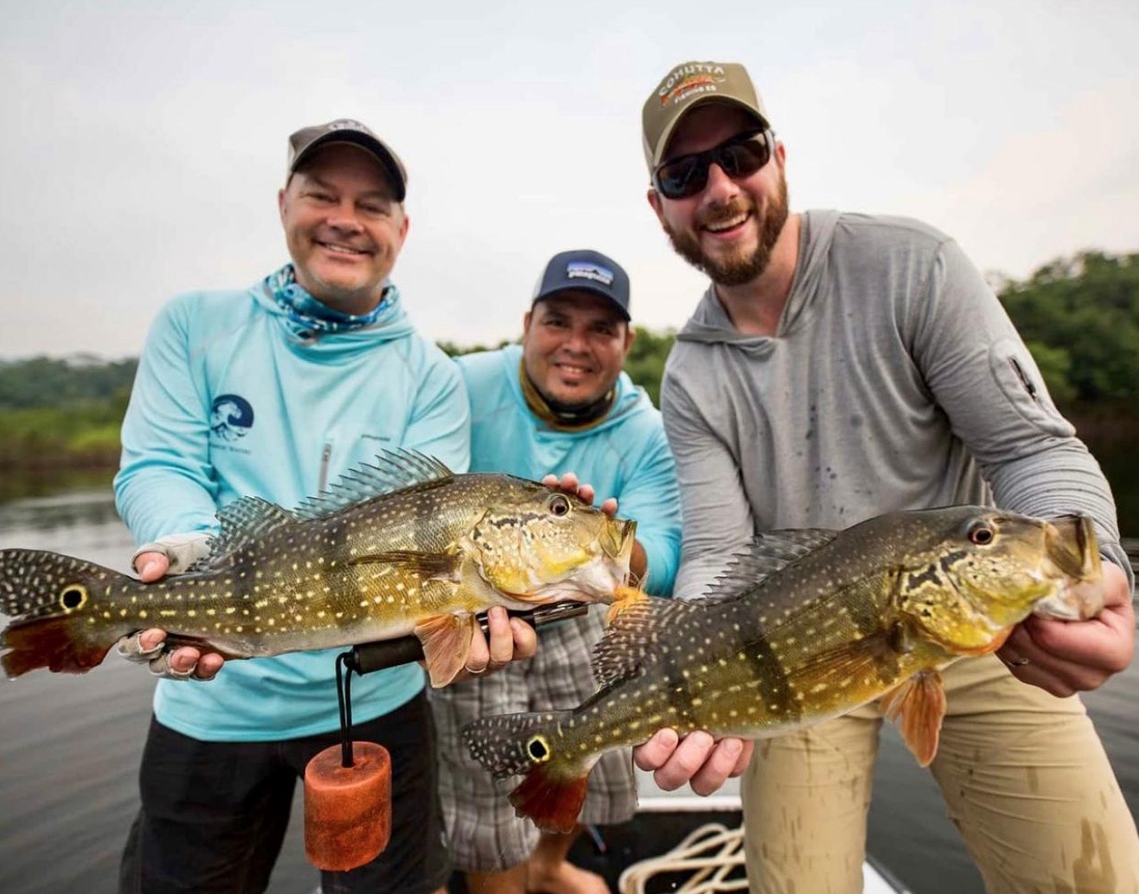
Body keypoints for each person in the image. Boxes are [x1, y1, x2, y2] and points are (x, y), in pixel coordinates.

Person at [640, 60, 1139, 894]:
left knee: (1094, 879)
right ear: (659, 206)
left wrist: (1099, 566)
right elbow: (720, 552)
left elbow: (1031, 449)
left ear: (779, 157)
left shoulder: (913, 266)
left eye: (740, 153)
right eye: (685, 173)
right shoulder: (690, 374)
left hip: (979, 627)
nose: (721, 188)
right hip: (803, 647)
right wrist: (683, 663)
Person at [112, 118, 538, 894]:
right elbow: (160, 464)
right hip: (209, 699)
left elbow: (426, 547)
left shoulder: (429, 378)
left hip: (374, 703)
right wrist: (187, 553)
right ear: (284, 203)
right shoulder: (194, 327)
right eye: (322, 195)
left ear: (400, 230)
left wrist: (487, 607)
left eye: (372, 204)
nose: (346, 218)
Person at [429, 249, 682, 894]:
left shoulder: (645, 430)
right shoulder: (458, 383)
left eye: (601, 329)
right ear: (526, 323)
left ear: (627, 342)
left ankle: (547, 867)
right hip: (474, 606)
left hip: (580, 603)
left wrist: (592, 541)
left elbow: (662, 552)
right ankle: (507, 874)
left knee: (589, 756)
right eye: (558, 321)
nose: (576, 345)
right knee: (490, 793)